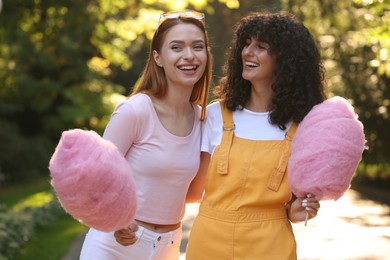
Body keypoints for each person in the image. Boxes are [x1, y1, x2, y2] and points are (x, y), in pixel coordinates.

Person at [185, 11, 325, 259]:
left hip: (271, 246)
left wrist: (299, 209)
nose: (247, 52)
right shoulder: (216, 115)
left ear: (286, 60)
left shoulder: (302, 127)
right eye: (246, 43)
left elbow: (293, 206)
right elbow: (193, 191)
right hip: (208, 242)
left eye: (260, 46)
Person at [79, 10, 212, 260]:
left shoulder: (205, 120)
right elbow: (96, 178)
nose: (189, 56)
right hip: (114, 246)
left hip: (167, 247)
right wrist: (116, 220)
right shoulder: (136, 110)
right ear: (158, 57)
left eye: (198, 47)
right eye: (176, 47)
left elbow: (193, 193)